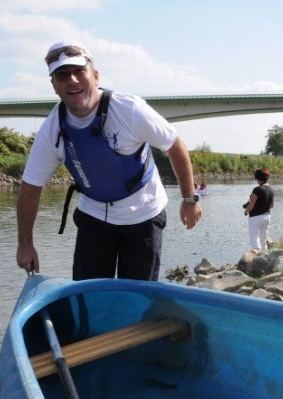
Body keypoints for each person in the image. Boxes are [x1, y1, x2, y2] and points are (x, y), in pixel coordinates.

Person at [16, 41, 202, 281]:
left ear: (95, 76)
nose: (72, 80)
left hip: (142, 212)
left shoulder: (130, 110)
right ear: (54, 86)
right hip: (93, 214)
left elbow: (175, 145)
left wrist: (189, 199)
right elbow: (30, 187)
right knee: (88, 296)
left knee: (136, 299)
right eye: (62, 75)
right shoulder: (52, 129)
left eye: (78, 71)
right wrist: (25, 244)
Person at [243, 167, 274, 252]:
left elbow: (251, 205)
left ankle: (256, 258)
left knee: (254, 239)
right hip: (267, 217)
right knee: (263, 239)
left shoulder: (257, 189)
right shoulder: (271, 189)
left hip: (255, 218)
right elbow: (272, 205)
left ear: (257, 178)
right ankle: (265, 256)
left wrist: (246, 211)